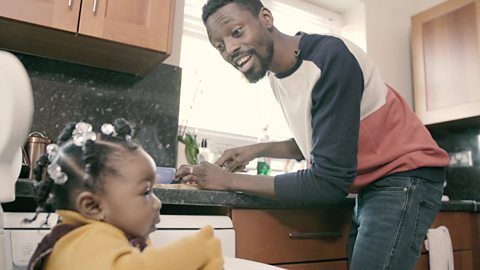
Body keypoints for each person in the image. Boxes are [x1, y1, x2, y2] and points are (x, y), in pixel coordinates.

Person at [175, 1, 450, 269]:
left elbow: (329, 183)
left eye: (237, 32)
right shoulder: (276, 75)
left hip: (406, 174)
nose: (231, 49)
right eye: (219, 46)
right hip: (375, 182)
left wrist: (228, 180)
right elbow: (323, 138)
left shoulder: (330, 57)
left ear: (266, 18)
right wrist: (256, 150)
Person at [27, 118, 223, 270]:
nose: (157, 204)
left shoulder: (114, 239)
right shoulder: (85, 240)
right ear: (93, 207)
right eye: (146, 192)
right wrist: (198, 250)